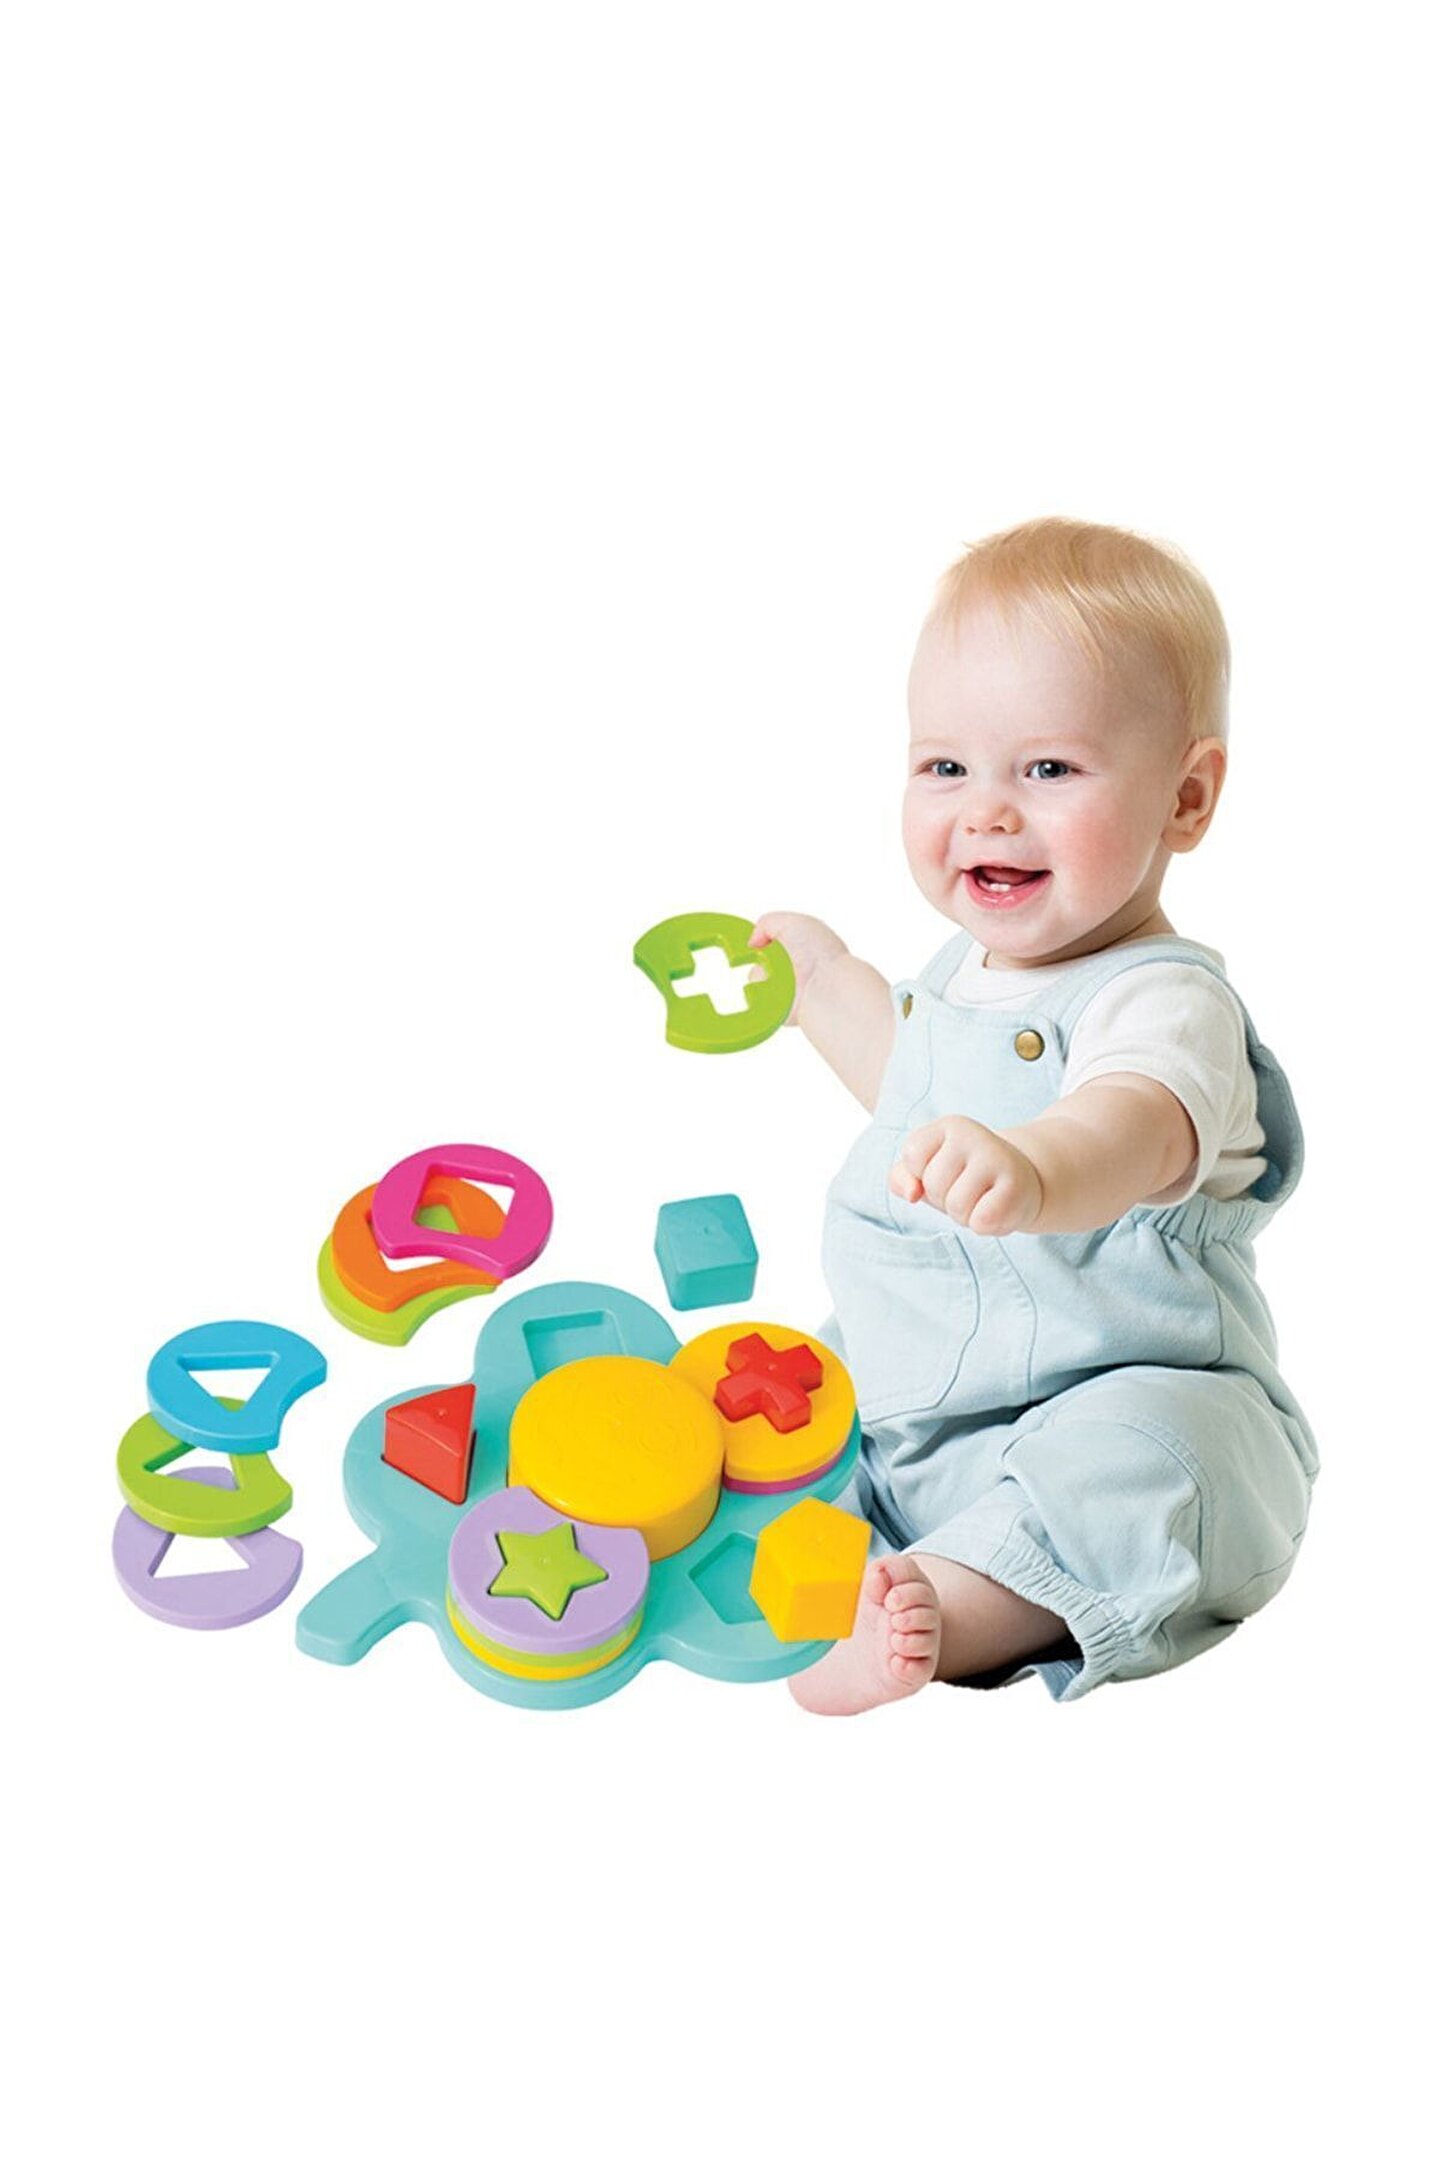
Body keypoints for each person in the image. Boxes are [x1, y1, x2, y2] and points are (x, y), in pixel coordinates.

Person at [751, 516, 1316, 1714]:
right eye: (945, 768)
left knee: (1139, 1467)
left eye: (1049, 770)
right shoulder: (965, 976)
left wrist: (1040, 1165)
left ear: (1186, 798)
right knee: (797, 1410)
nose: (988, 812)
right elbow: (911, 1080)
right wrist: (822, 984)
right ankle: (814, 1570)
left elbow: (1135, 1124)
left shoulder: (1163, 1002)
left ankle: (947, 1612)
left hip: (1115, 1389)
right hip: (915, 1405)